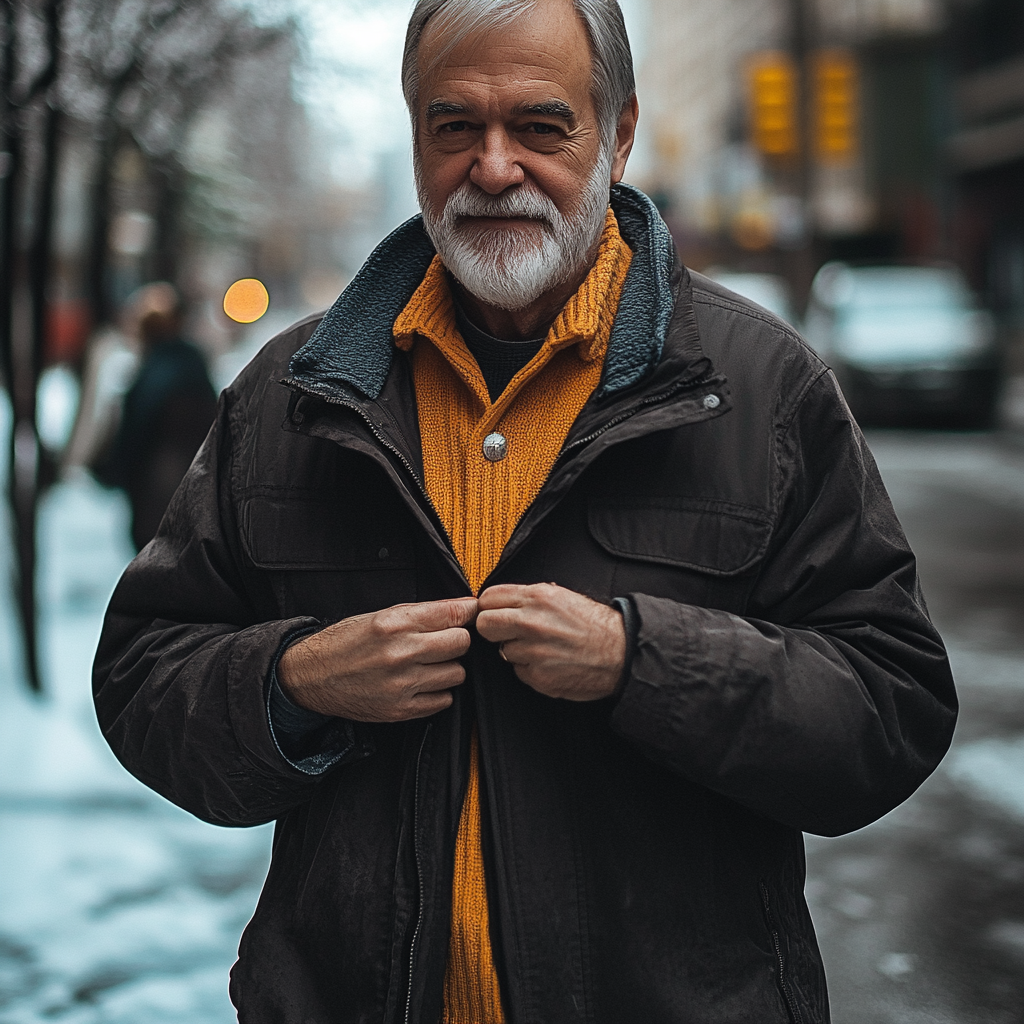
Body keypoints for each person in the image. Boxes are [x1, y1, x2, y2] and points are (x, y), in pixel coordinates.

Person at [93, 0, 957, 1019]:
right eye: (454, 125)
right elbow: (144, 671)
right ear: (415, 133)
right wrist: (293, 680)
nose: (493, 167)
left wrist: (645, 663)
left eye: (540, 127)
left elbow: (890, 704)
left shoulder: (763, 387)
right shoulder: (294, 391)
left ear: (618, 132)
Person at [93, 283, 218, 551]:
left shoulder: (155, 372)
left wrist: (115, 469)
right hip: (193, 487)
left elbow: (136, 429)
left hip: (156, 487)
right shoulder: (193, 363)